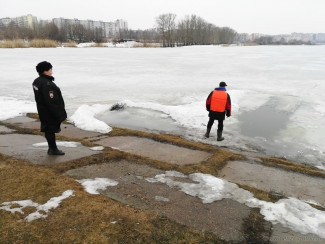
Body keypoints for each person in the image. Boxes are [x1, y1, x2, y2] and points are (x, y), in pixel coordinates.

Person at [32, 61, 67, 155]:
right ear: (45, 71)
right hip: (49, 111)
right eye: (50, 69)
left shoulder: (37, 81)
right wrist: (59, 114)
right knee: (50, 130)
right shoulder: (46, 84)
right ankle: (53, 149)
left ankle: (52, 148)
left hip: (43, 110)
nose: (51, 71)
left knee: (48, 129)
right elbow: (51, 101)